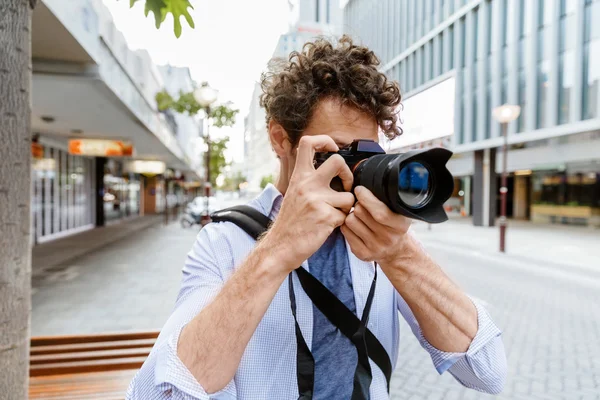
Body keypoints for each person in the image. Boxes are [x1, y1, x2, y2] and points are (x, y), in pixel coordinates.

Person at [127, 35, 506, 400]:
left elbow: (487, 371)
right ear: (280, 139)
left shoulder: (381, 237)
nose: (352, 170)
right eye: (337, 152)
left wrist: (399, 254)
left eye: (368, 156)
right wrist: (276, 249)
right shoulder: (224, 241)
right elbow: (163, 394)